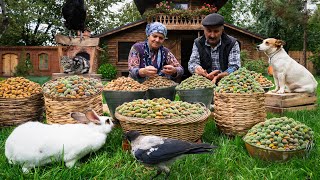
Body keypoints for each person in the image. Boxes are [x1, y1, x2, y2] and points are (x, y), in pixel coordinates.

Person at [188, 13, 241, 84]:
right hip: (204, 83)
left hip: (227, 83)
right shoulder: (198, 43)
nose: (212, 35)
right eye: (209, 31)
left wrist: (220, 75)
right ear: (204, 30)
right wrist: (197, 69)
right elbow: (192, 63)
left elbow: (235, 66)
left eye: (216, 31)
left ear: (222, 30)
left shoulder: (232, 43)